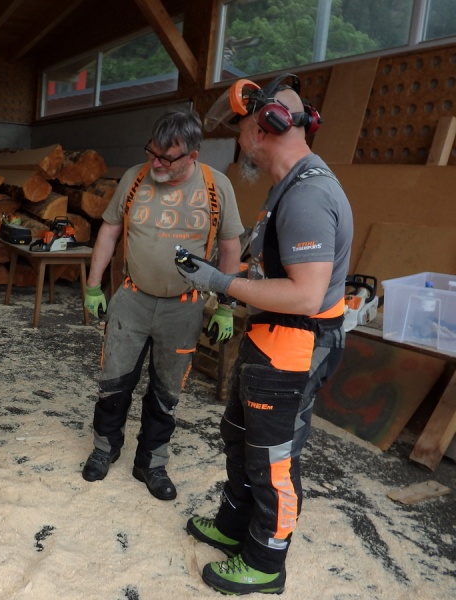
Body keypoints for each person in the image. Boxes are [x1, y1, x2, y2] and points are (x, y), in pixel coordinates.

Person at [175, 74, 353, 595]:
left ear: (263, 126)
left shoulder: (308, 196)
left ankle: (265, 561)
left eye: (240, 129)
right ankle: (234, 526)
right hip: (271, 339)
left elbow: (306, 295)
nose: (239, 140)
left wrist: (219, 282)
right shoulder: (289, 186)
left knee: (273, 458)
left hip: (294, 345)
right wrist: (230, 278)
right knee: (239, 435)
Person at [81, 109, 244, 501]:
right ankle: (104, 449)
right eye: (152, 152)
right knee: (114, 382)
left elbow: (230, 249)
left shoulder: (216, 187)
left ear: (192, 155)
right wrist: (93, 286)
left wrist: (226, 304)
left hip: (183, 307)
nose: (156, 163)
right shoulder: (134, 178)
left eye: (167, 158)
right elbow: (109, 231)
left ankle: (151, 463)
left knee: (166, 392)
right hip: (132, 299)